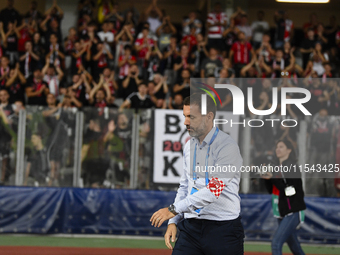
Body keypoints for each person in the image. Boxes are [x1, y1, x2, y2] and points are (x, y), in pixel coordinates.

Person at [150, 93, 244, 254]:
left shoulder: (228, 147)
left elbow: (213, 190)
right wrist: (173, 220)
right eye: (185, 116)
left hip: (223, 230)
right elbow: (185, 185)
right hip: (190, 228)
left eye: (191, 117)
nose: (186, 122)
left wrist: (173, 209)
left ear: (209, 117)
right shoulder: (189, 146)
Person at [262, 139, 306, 255]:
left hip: (293, 211)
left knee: (276, 243)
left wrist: (273, 178)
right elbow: (272, 190)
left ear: (289, 150)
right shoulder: (277, 167)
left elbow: (291, 191)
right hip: (282, 211)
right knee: (295, 247)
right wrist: (267, 178)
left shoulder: (291, 166)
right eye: (277, 147)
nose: (278, 149)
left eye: (281, 147)